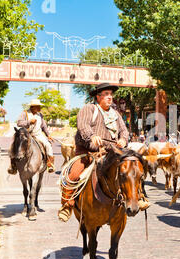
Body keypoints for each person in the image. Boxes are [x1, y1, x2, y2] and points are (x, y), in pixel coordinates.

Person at [58, 83, 149, 222]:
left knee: (133, 169)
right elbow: (83, 125)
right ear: (98, 97)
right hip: (88, 152)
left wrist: (124, 140)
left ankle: (139, 197)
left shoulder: (115, 114)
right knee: (73, 174)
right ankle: (67, 204)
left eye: (111, 95)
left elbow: (124, 131)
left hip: (112, 153)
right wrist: (91, 136)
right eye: (106, 94)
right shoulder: (89, 109)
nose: (110, 97)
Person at [8, 99, 55, 174]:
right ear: (33, 107)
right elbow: (19, 123)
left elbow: (44, 126)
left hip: (38, 134)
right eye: (38, 106)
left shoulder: (40, 115)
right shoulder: (24, 113)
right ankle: (13, 166)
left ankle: (50, 164)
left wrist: (48, 135)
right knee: (14, 146)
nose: (40, 108)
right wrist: (29, 122)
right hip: (26, 134)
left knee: (48, 145)